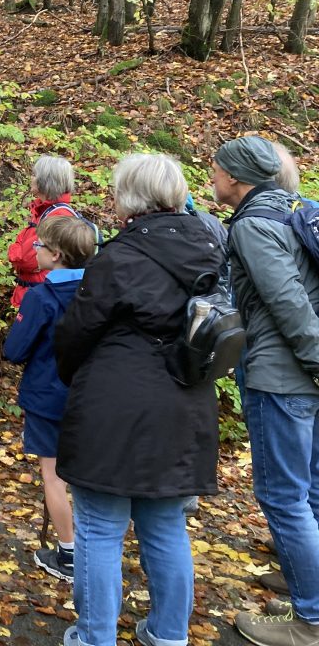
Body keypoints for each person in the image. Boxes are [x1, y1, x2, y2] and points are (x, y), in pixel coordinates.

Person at [54, 153, 224, 646]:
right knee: (166, 523)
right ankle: (169, 634)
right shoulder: (213, 247)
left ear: (127, 196)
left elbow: (76, 332)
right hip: (185, 398)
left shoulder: (120, 256)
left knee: (101, 527)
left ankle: (94, 636)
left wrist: (75, 378)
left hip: (117, 401)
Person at [209, 137, 319, 646]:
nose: (211, 178)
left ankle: (310, 620)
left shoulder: (254, 225)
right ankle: (311, 591)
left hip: (284, 377)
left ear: (235, 177)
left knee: (283, 496)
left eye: (215, 171)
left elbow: (288, 303)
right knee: (312, 490)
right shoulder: (297, 209)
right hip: (304, 376)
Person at [3, 215, 96, 584]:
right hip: (92, 396)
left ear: (56, 255)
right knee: (88, 473)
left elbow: (14, 350)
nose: (34, 251)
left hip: (48, 397)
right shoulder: (101, 292)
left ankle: (69, 552)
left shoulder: (42, 297)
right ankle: (94, 544)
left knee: (54, 474)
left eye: (39, 246)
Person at [8, 155, 79, 308]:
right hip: (37, 295)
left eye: (34, 174)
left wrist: (15, 248)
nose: (31, 178)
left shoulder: (56, 217)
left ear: (45, 181)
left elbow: (24, 259)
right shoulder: (46, 212)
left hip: (41, 301)